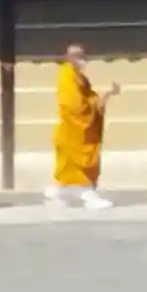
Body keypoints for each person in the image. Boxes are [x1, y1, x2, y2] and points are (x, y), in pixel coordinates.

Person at [46, 44, 118, 210]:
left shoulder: (77, 76)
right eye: (76, 55)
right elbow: (74, 107)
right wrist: (97, 101)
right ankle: (85, 193)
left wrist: (104, 95)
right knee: (80, 168)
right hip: (74, 131)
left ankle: (58, 191)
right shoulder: (67, 75)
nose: (81, 59)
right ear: (67, 57)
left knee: (67, 169)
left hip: (72, 132)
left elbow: (87, 98)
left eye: (82, 55)